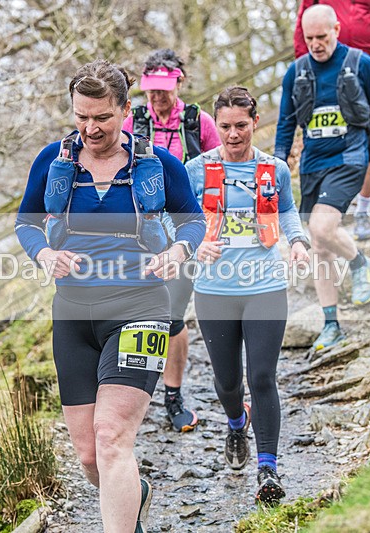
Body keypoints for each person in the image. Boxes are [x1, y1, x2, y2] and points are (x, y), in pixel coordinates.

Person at [14, 60, 205, 532]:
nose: (90, 128)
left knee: (112, 436)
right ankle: (133, 494)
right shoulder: (53, 162)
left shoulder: (159, 165)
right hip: (74, 313)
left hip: (141, 307)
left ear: (124, 109)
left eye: (101, 117)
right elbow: (26, 223)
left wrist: (179, 250)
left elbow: (193, 221)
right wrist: (43, 255)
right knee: (88, 456)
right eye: (81, 116)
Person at [186, 86, 310, 504]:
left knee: (261, 377)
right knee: (227, 382)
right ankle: (237, 423)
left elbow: (289, 209)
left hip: (265, 285)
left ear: (256, 122)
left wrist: (296, 241)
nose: (234, 134)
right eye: (225, 127)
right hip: (214, 290)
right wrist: (193, 244)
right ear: (215, 126)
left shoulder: (274, 168)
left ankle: (268, 469)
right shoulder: (197, 169)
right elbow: (177, 219)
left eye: (241, 125)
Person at [276, 4, 370, 351]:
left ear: (337, 30)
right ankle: (331, 324)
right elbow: (284, 124)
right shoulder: (295, 73)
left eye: (322, 37)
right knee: (320, 249)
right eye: (310, 38)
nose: (316, 44)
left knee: (322, 228)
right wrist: (277, 165)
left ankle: (361, 263)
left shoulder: (362, 64)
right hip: (313, 163)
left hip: (350, 158)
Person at [122, 49, 220, 433]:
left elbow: (220, 172)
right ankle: (135, 393)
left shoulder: (199, 123)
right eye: (151, 90)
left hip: (187, 229)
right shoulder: (133, 122)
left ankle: (173, 396)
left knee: (173, 315)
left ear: (179, 83)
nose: (157, 97)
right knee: (138, 313)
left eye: (164, 90)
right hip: (142, 232)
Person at [295, 0, 370, 241]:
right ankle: (329, 206)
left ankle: (362, 209)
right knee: (331, 133)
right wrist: (303, 65)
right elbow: (304, 22)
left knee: (368, 138)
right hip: (327, 64)